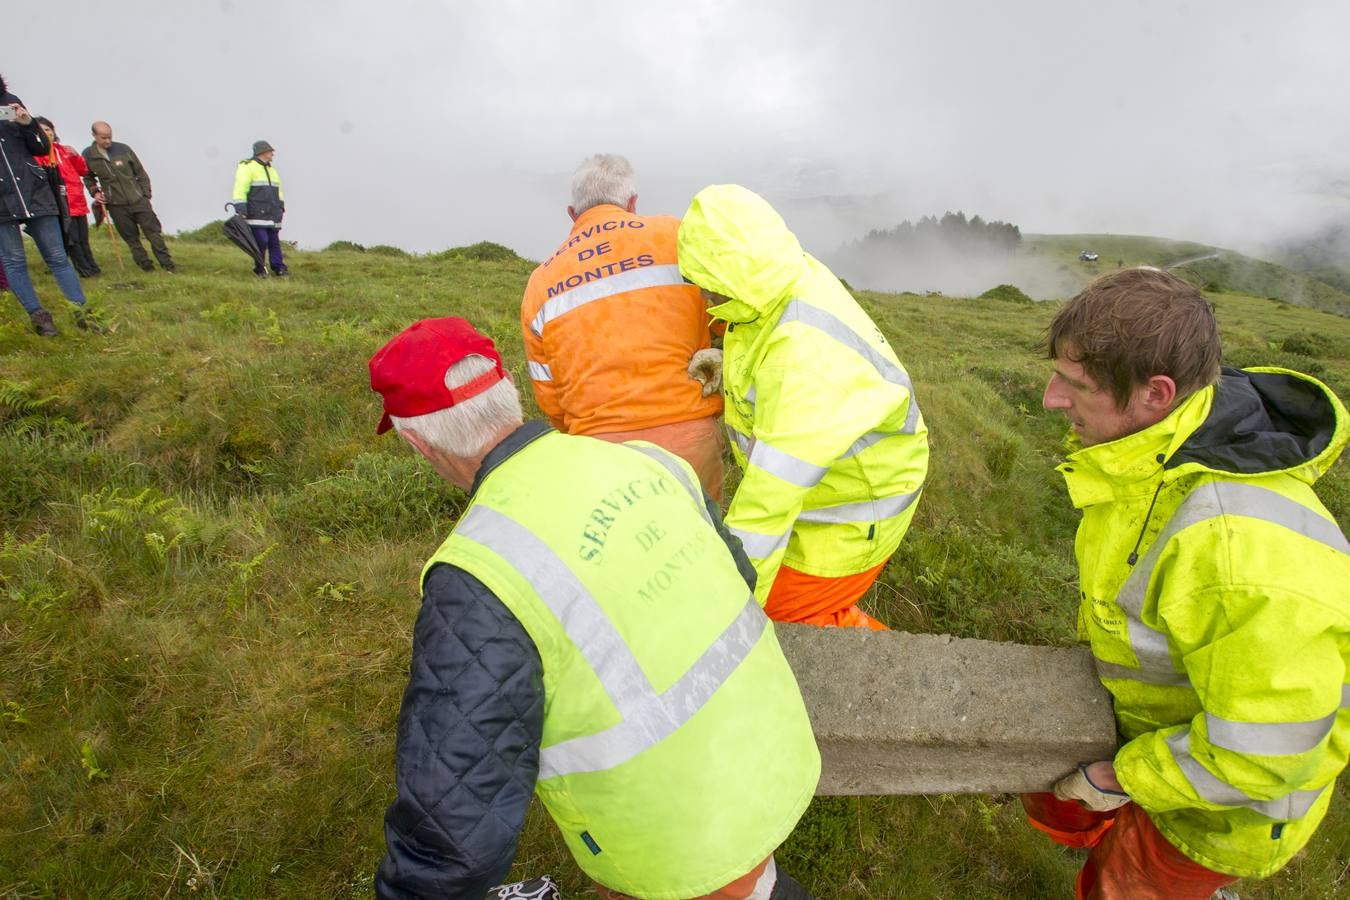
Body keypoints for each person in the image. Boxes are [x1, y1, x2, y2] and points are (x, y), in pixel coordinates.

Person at [368, 316, 819, 900]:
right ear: (508, 393)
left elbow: (456, 822)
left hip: (674, 842)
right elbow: (737, 574)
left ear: (416, 441)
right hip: (778, 754)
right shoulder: (649, 461)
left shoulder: (481, 570)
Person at [1025, 267, 1350, 898]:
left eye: (1075, 385)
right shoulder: (1157, 451)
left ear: (1156, 393)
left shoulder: (1237, 556)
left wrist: (1123, 778)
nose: (1050, 400)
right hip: (1166, 735)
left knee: (1120, 889)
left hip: (1227, 810)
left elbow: (1262, 755)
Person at [677, 184, 930, 629]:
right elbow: (768, 349)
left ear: (733, 280)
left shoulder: (805, 361)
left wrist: (726, 616)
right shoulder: (777, 279)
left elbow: (766, 507)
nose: (702, 298)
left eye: (707, 287)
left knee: (781, 616)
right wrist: (727, 366)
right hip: (831, 487)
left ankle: (885, 660)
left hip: (854, 510)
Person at [520, 154, 725, 499]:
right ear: (632, 203)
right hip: (689, 439)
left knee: (624, 549)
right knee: (705, 541)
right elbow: (726, 316)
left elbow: (548, 394)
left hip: (600, 452)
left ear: (572, 214)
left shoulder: (540, 282)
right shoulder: (677, 237)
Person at [0, 76, 100, 336]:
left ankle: (82, 313)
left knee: (57, 256)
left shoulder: (10, 101)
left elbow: (42, 148)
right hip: (1, 199)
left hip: (34, 190)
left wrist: (28, 123)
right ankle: (40, 318)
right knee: (13, 261)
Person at [82, 120, 174, 273]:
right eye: (104, 138)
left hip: (138, 200)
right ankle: (146, 267)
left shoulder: (123, 149)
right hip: (116, 204)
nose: (108, 141)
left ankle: (168, 265)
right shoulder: (88, 155)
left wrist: (145, 194)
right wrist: (95, 192)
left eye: (110, 137)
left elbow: (140, 172)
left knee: (154, 234)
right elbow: (87, 176)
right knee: (131, 239)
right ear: (94, 136)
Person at [34, 117, 100, 277]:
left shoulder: (63, 150)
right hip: (61, 204)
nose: (47, 133)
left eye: (49, 129)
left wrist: (76, 156)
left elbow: (83, 171)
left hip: (78, 201)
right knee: (73, 240)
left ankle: (93, 267)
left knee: (83, 239)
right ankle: (85, 271)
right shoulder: (37, 154)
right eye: (42, 130)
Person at [231, 140, 286, 276]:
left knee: (274, 241)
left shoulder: (272, 170)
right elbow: (240, 188)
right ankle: (260, 267)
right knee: (261, 241)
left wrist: (281, 206)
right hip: (256, 212)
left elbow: (278, 190)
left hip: (273, 213)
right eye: (270, 151)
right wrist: (241, 208)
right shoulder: (247, 167)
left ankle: (279, 268)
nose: (273, 153)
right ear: (262, 152)